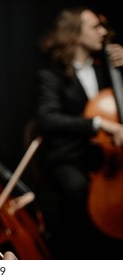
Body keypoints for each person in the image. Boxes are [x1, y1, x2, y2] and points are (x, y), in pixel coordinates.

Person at [35, 6, 123, 259]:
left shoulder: (105, 70)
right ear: (74, 34)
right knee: (77, 190)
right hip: (68, 157)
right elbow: (47, 119)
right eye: (95, 27)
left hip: (106, 157)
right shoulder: (51, 75)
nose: (103, 32)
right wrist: (97, 124)